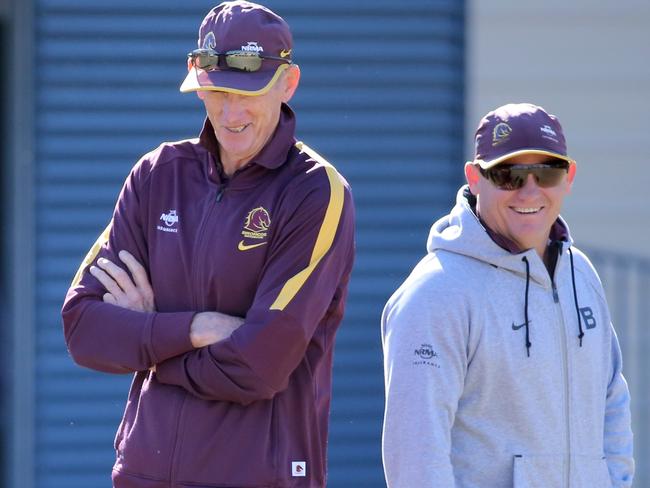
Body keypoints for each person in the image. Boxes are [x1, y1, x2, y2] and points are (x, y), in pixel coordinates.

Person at [62, 2, 355, 487]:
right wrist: (195, 328)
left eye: (249, 92)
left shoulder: (316, 191)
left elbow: (261, 365)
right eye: (216, 91)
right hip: (143, 474)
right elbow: (81, 328)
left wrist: (148, 338)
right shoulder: (158, 174)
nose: (230, 112)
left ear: (287, 83)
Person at [381, 103, 634, 487]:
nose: (529, 190)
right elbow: (416, 452)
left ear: (569, 177)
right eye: (508, 175)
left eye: (546, 173)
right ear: (474, 177)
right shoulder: (436, 294)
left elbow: (612, 397)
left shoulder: (580, 274)